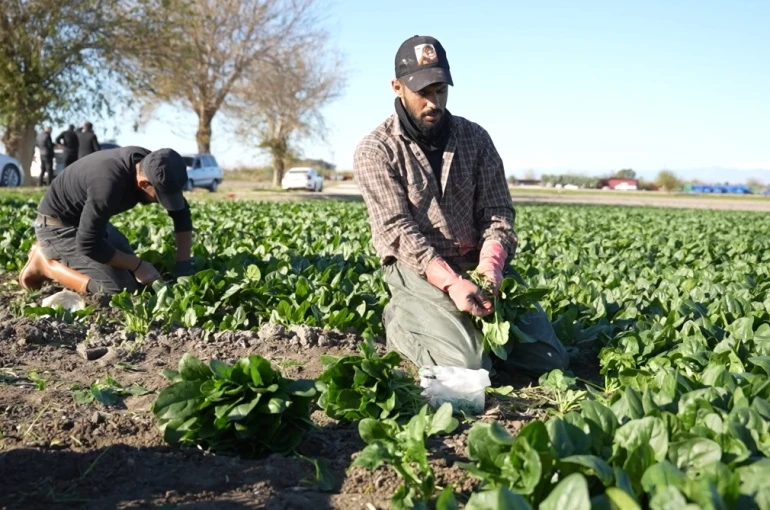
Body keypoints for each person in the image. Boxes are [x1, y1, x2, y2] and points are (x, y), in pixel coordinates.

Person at [354, 35, 569, 378]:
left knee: (550, 361)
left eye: (440, 90)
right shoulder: (376, 150)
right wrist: (452, 282)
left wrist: (490, 266)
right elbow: (396, 230)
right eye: (422, 92)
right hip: (417, 267)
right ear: (397, 87)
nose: (433, 102)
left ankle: (458, 329)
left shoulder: (475, 139)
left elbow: (498, 213)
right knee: (468, 366)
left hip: (474, 261)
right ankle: (401, 321)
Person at [18, 146, 195, 295]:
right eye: (161, 197)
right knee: (120, 290)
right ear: (143, 183)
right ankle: (45, 265)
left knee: (134, 276)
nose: (163, 202)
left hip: (89, 223)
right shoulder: (107, 185)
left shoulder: (154, 165)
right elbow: (88, 244)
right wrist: (138, 265)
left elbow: (181, 214)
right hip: (57, 228)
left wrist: (184, 266)